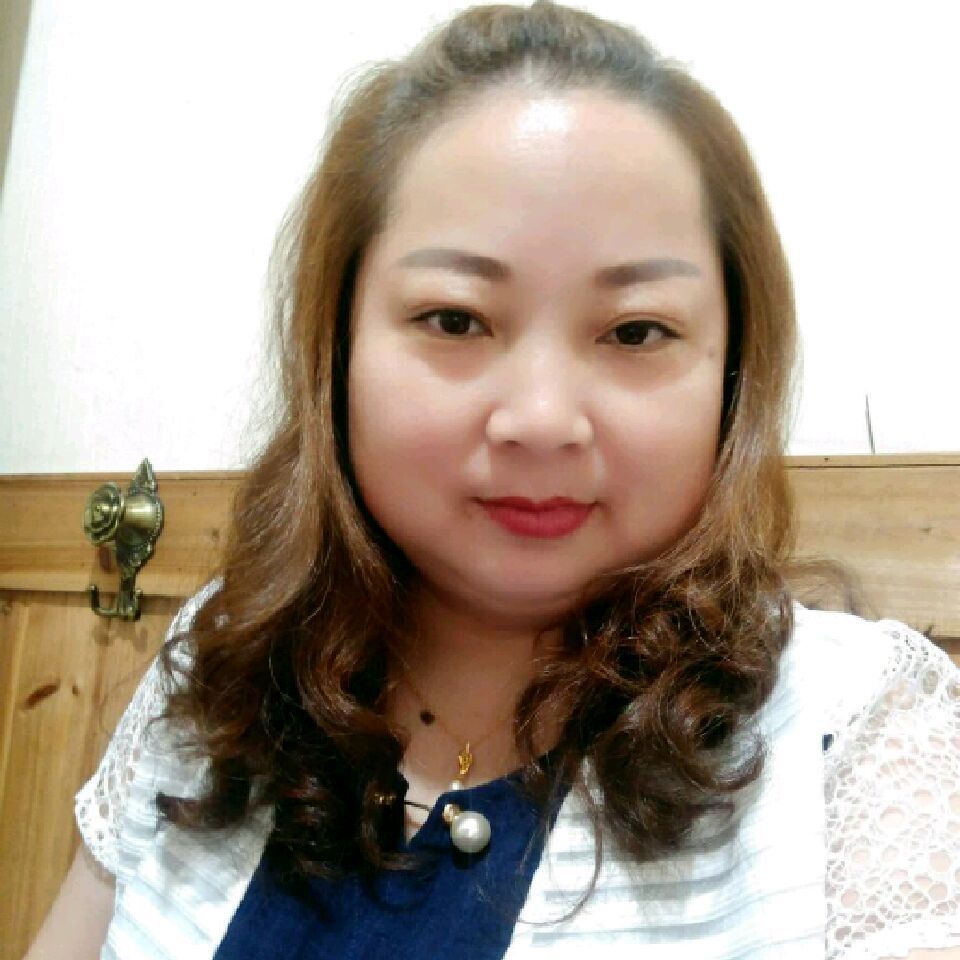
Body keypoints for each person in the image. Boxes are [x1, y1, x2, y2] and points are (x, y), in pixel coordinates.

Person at [25, 2, 960, 958]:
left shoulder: (861, 733)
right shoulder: (221, 662)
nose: (542, 421)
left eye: (636, 331)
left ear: (732, 374)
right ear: (337, 349)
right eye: (455, 320)